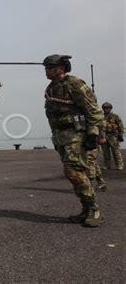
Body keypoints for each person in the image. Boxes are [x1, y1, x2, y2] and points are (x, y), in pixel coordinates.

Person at [43, 54, 104, 227]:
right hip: (62, 137)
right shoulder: (51, 89)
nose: (47, 71)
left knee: (73, 171)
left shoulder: (75, 84)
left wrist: (93, 134)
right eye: (46, 68)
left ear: (61, 68)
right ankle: (86, 209)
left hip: (77, 134)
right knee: (74, 174)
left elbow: (93, 110)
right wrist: (55, 137)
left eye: (50, 67)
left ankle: (94, 209)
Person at [100, 102, 124, 170]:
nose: (106, 109)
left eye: (108, 108)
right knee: (105, 152)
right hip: (103, 136)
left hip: (113, 136)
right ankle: (107, 165)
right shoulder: (101, 117)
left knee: (116, 151)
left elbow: (121, 126)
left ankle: (119, 165)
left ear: (110, 108)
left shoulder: (115, 116)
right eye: (104, 108)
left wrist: (120, 135)